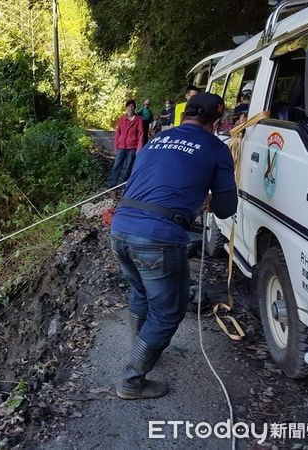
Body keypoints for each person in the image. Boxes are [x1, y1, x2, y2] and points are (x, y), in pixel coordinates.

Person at [110, 93, 238, 400]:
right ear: (216, 121)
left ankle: (141, 348)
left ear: (183, 115)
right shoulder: (217, 148)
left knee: (141, 293)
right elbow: (225, 208)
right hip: (158, 238)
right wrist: (208, 197)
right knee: (168, 311)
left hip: (120, 228)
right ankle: (131, 379)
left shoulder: (155, 141)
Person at [110, 99, 144, 188]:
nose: (130, 108)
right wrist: (116, 147)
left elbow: (141, 134)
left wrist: (139, 149)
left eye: (132, 106)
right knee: (116, 165)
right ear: (126, 108)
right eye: (128, 106)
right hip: (121, 146)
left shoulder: (138, 120)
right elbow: (118, 133)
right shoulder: (122, 119)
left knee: (128, 167)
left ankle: (124, 185)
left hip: (132, 147)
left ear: (135, 108)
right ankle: (112, 184)